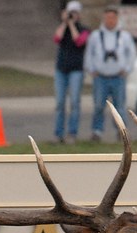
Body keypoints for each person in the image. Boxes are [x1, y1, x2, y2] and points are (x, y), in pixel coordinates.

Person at [85, 6, 136, 142]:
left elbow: (131, 54)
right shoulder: (96, 36)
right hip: (100, 77)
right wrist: (91, 69)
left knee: (119, 106)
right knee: (98, 106)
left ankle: (121, 132)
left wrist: (127, 69)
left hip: (118, 77)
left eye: (113, 18)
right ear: (104, 18)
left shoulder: (124, 36)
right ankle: (97, 131)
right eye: (107, 18)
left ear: (117, 18)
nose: (110, 21)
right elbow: (89, 54)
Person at [52, 1, 89, 144]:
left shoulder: (84, 29)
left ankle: (72, 133)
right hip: (61, 69)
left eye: (74, 13)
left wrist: (72, 24)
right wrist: (64, 23)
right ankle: (58, 133)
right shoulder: (62, 28)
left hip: (76, 70)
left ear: (78, 14)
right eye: (70, 12)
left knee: (74, 102)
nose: (71, 15)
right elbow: (57, 38)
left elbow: (79, 41)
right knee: (60, 103)